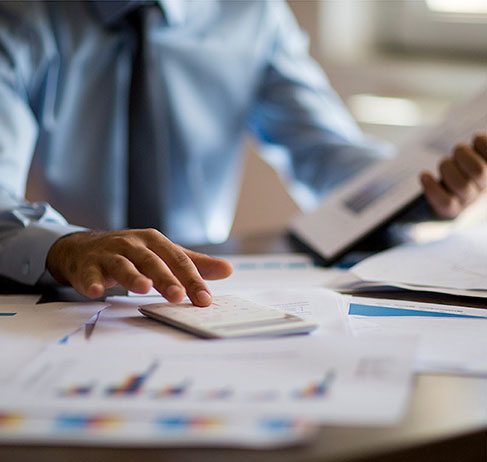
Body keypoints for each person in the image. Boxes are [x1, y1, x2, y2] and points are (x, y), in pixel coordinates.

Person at [0, 1, 485, 306]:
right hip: (58, 295)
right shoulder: (17, 17)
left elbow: (327, 155)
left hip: (199, 293)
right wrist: (66, 246)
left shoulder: (252, 13)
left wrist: (420, 193)